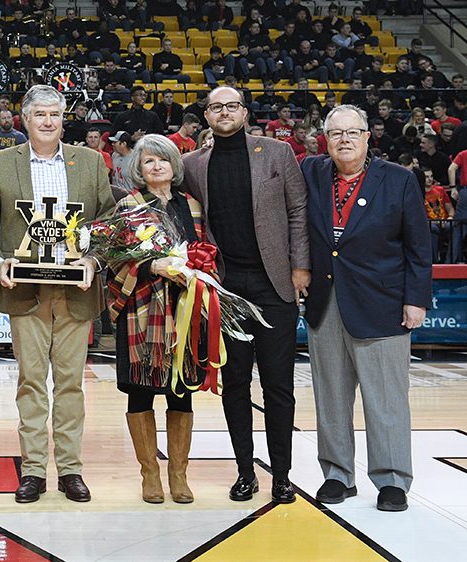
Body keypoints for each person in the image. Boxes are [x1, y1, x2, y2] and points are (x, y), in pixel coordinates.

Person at [0, 85, 115, 504]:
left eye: (55, 114)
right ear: (24, 119)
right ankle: (34, 470)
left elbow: (108, 221)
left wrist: (93, 260)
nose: (48, 121)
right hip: (26, 291)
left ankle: (70, 469)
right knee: (31, 382)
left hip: (75, 290)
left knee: (71, 384)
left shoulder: (90, 162)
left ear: (63, 118)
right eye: (39, 114)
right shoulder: (1, 163)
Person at [300, 105, 431, 512]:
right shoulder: (311, 173)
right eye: (335, 133)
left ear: (367, 137)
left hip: (383, 302)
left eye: (352, 132)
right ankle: (338, 474)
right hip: (327, 300)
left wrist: (416, 299)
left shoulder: (399, 179)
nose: (344, 140)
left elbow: (418, 246)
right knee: (331, 396)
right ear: (324, 138)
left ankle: (392, 479)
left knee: (387, 399)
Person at [183, 86, 310, 504]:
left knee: (278, 386)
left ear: (244, 112)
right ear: (206, 115)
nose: (224, 112)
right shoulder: (193, 164)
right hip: (226, 287)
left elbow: (297, 211)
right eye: (215, 106)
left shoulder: (277, 153)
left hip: (275, 284)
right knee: (234, 384)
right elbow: (153, 183)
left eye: (231, 105)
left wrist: (299, 266)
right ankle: (244, 472)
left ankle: (282, 476)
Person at [109, 134, 205, 504]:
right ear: (139, 168)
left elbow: (205, 250)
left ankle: (178, 475)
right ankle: (150, 474)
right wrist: (153, 265)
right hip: (141, 309)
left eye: (162, 159)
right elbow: (115, 258)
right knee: (140, 392)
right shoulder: (129, 206)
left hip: (185, 309)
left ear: (174, 165)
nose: (157, 166)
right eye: (148, 161)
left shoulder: (192, 205)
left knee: (181, 393)